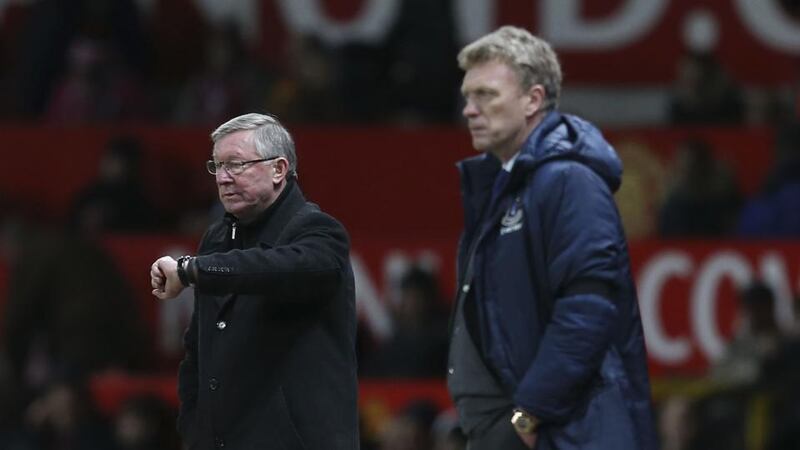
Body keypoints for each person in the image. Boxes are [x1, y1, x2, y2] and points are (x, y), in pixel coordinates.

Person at [447, 26, 657, 450]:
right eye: (468, 96)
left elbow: (589, 307)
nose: (470, 109)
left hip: (569, 431)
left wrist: (530, 412)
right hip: (522, 429)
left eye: (486, 95)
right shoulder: (504, 188)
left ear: (533, 99)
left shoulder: (569, 182)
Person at [149, 113, 358, 450]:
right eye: (217, 166)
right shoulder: (216, 239)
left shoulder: (320, 232)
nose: (223, 178)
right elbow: (197, 354)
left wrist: (192, 270)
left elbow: (272, 268)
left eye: (236, 164)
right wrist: (193, 430)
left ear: (279, 169)